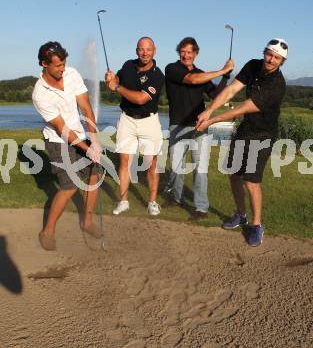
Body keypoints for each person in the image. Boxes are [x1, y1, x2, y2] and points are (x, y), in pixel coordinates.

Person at [196, 38, 288, 246]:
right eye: (269, 54)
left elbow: (242, 108)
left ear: (282, 61)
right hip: (245, 130)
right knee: (234, 174)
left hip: (263, 134)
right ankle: (241, 215)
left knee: (251, 181)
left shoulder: (277, 85)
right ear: (264, 52)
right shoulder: (253, 65)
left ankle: (256, 225)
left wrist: (212, 120)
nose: (271, 60)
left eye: (276, 58)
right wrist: (209, 109)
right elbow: (230, 90)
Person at [32, 41, 103, 251]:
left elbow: (86, 107)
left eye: (64, 64)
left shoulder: (72, 74)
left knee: (95, 174)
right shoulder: (40, 94)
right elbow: (62, 129)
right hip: (58, 141)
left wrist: (94, 138)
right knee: (70, 186)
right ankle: (48, 232)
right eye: (57, 66)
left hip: (82, 133)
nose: (62, 69)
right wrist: (87, 148)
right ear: (43, 64)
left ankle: (87, 222)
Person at [165, 37, 234, 219]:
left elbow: (215, 95)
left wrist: (225, 77)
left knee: (200, 168)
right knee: (176, 167)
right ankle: (175, 198)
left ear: (196, 53)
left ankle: (201, 208)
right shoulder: (172, 69)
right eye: (183, 51)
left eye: (190, 52)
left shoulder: (202, 73)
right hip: (177, 125)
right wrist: (221, 70)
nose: (186, 55)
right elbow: (192, 80)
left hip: (199, 125)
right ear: (179, 52)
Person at [105, 37, 164, 215]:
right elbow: (115, 82)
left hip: (149, 121)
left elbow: (140, 98)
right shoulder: (128, 65)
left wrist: (116, 88)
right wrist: (111, 79)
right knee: (124, 161)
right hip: (127, 120)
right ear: (136, 50)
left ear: (154, 51)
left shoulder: (157, 75)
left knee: (151, 163)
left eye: (148, 49)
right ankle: (123, 201)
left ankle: (152, 202)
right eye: (141, 49)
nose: (144, 53)